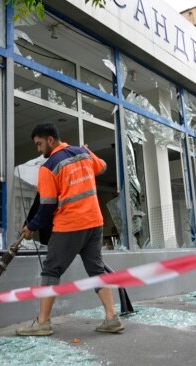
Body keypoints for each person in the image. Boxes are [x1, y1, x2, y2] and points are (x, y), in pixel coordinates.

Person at [16, 123, 124, 336]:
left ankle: (43, 322)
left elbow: (46, 206)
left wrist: (31, 227)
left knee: (51, 271)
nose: (38, 150)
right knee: (96, 269)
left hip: (70, 226)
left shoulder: (48, 168)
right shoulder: (82, 153)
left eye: (39, 144)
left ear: (50, 140)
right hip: (94, 223)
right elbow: (102, 166)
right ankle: (111, 318)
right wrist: (87, 150)